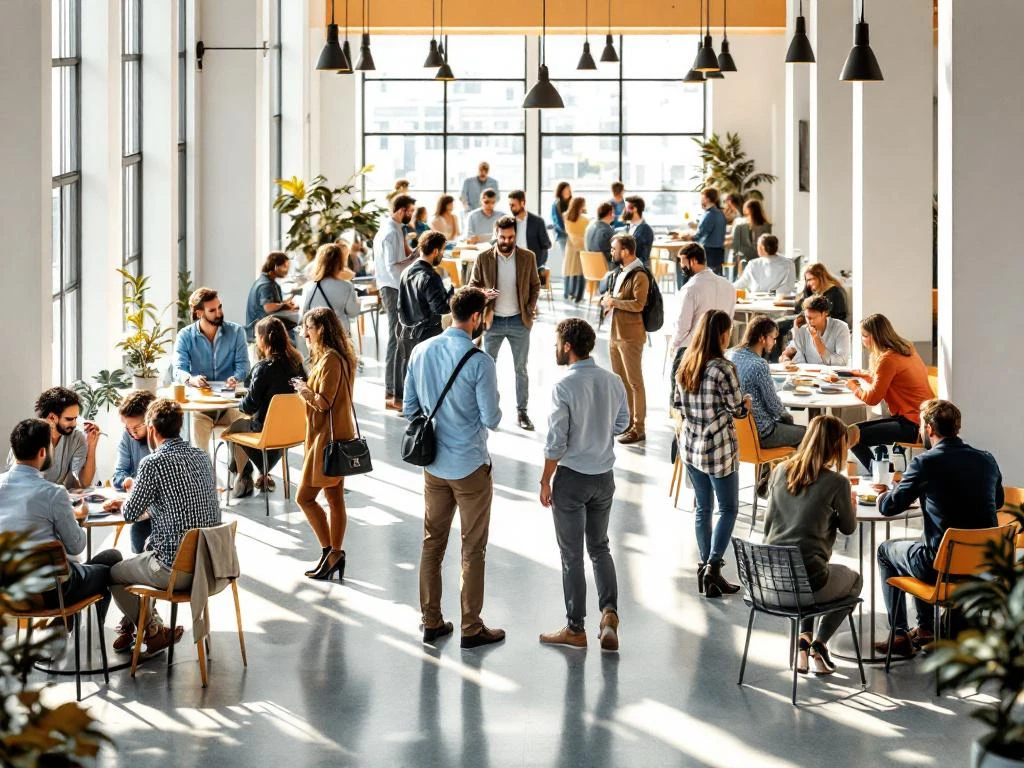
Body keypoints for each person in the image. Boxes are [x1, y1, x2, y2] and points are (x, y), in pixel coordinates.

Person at [403, 287, 505, 649]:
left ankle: (430, 621)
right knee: (472, 549)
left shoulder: (421, 350)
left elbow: (409, 408)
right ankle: (471, 627)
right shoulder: (480, 362)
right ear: (476, 317)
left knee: (432, 543)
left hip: (433, 465)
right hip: (470, 466)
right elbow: (492, 419)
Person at [874, 399, 1003, 658]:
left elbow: (889, 507)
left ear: (930, 428)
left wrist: (882, 495)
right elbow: (997, 502)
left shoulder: (925, 463)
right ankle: (925, 629)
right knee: (923, 543)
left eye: (921, 426)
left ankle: (899, 635)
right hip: (982, 567)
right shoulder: (987, 459)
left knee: (886, 551)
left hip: (941, 569)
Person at [538, 318, 630, 650]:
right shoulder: (613, 380)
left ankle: (576, 628)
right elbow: (623, 423)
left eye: (557, 343)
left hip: (573, 479)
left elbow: (556, 442)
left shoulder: (564, 386)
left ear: (567, 347)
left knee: (572, 555)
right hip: (604, 478)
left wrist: (545, 479)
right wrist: (599, 430)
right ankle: (609, 615)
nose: (555, 348)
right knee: (600, 547)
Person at [106, 399, 220, 656]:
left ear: (152, 430)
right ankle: (149, 628)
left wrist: (128, 499)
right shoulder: (202, 457)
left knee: (113, 574)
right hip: (210, 567)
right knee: (147, 550)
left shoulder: (153, 462)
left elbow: (130, 514)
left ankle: (152, 631)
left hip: (175, 572)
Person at [0, 419, 122, 623]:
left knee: (80, 566)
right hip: (50, 594)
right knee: (112, 560)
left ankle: (62, 626)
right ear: (43, 452)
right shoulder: (53, 493)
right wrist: (77, 517)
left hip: (8, 593)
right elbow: (76, 546)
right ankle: (85, 627)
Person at [764, 415, 860, 675]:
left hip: (770, 582)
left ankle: (803, 642)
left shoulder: (780, 471)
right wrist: (848, 505)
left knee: (807, 566)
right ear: (836, 445)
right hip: (807, 583)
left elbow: (768, 525)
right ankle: (820, 644)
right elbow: (849, 528)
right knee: (854, 580)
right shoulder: (837, 482)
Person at [677, 310, 751, 599]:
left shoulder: (686, 363)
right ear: (722, 334)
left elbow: (678, 404)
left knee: (703, 509)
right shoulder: (724, 368)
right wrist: (746, 404)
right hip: (719, 448)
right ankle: (713, 566)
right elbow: (737, 410)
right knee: (729, 508)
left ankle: (706, 569)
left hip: (691, 446)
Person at [291, 308, 358, 582]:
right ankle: (333, 554)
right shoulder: (336, 357)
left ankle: (330, 551)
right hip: (335, 436)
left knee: (304, 498)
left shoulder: (331, 359)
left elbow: (324, 402)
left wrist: (304, 390)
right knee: (334, 498)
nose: (305, 334)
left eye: (308, 328)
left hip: (326, 440)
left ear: (320, 329)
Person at [468, 215, 540, 431]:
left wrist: (529, 308)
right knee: (488, 369)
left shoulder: (528, 257)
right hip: (493, 322)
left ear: (515, 235)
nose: (506, 241)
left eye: (510, 237)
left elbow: (535, 285)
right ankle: (488, 411)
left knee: (521, 369)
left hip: (520, 321)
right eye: (502, 237)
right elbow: (472, 286)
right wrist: (484, 295)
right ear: (496, 234)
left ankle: (522, 412)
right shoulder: (483, 258)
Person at [222, 316, 305, 497]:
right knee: (251, 423)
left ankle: (243, 476)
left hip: (265, 432)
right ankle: (263, 473)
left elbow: (249, 406)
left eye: (256, 336)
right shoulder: (297, 364)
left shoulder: (264, 367)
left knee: (230, 429)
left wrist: (237, 402)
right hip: (291, 431)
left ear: (263, 338)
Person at [846, 314, 935, 473]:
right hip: (923, 419)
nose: (862, 340)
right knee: (852, 433)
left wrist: (853, 386)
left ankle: (883, 475)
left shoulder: (888, 359)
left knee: (850, 436)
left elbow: (872, 399)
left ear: (875, 337)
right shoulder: (907, 350)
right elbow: (888, 378)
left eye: (864, 336)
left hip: (913, 425)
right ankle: (886, 473)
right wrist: (860, 374)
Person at [173, 287, 249, 454]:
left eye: (219, 307)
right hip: (202, 407)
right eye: (212, 310)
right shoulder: (185, 336)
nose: (219, 313)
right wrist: (191, 379)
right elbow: (178, 369)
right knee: (197, 439)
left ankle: (241, 469)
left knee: (246, 424)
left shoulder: (236, 332)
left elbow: (243, 365)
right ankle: (203, 469)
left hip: (229, 405)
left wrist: (236, 378)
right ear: (199, 313)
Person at [668, 243, 736, 403]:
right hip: (719, 349)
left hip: (691, 350)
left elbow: (682, 325)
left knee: (679, 400)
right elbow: (729, 319)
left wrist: (674, 345)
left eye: (682, 262)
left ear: (692, 261)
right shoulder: (728, 286)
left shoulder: (690, 288)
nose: (681, 267)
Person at [727, 316, 806, 450]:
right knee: (812, 435)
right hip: (762, 432)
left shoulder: (730, 354)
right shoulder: (759, 365)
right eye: (773, 338)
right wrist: (789, 418)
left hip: (738, 432)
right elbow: (774, 405)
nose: (775, 343)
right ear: (762, 338)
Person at [600, 234, 649, 445]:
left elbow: (639, 304)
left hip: (630, 337)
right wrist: (607, 302)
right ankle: (628, 423)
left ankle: (639, 428)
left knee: (635, 383)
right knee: (621, 382)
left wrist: (614, 302)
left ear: (626, 251)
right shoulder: (621, 272)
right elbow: (616, 299)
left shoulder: (640, 275)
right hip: (615, 333)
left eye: (614, 249)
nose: (611, 252)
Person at [6, 386, 99, 489]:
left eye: (75, 418)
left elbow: (84, 483)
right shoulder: (28, 435)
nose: (74, 424)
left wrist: (92, 446)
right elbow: (16, 480)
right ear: (52, 417)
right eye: (69, 419)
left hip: (56, 495)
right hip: (29, 494)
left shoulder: (77, 437)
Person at [373, 194, 417, 412]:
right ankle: (391, 393)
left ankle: (394, 391)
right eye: (410, 211)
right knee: (396, 338)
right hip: (392, 288)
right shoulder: (390, 232)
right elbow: (392, 266)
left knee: (398, 337)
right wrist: (414, 259)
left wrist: (412, 255)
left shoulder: (396, 229)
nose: (412, 215)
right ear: (401, 210)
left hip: (393, 286)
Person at [397, 231, 452, 398]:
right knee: (428, 386)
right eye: (442, 250)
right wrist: (451, 293)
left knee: (411, 384)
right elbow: (440, 308)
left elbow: (400, 304)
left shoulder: (406, 272)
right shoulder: (430, 276)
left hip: (406, 335)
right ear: (435, 251)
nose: (442, 254)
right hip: (427, 336)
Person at [773, 261, 847, 363]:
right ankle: (779, 359)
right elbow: (799, 306)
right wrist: (806, 291)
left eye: (810, 279)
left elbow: (834, 316)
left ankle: (774, 360)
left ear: (820, 277)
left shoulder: (834, 293)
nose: (808, 283)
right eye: (806, 280)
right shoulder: (815, 290)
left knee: (778, 326)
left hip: (820, 323)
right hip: (806, 319)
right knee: (776, 325)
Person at [112, 389, 156, 553]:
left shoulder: (165, 440)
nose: (132, 433)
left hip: (161, 512)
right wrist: (126, 481)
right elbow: (118, 473)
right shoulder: (128, 436)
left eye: (137, 427)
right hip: (141, 508)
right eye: (127, 427)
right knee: (138, 539)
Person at [299, 242, 360, 331]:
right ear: (340, 261)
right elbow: (353, 312)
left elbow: (303, 313)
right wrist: (357, 300)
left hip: (317, 332)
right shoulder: (346, 286)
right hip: (339, 332)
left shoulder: (309, 286)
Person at [781, 294, 851, 366]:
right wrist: (786, 359)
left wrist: (817, 340)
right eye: (807, 317)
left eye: (813, 318)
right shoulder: (803, 329)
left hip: (833, 372)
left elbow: (842, 362)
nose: (810, 322)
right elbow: (789, 354)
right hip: (808, 372)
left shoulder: (841, 328)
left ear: (824, 314)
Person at [245, 251, 297, 343]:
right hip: (263, 332)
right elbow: (268, 307)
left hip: (258, 330)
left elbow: (271, 303)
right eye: (285, 266)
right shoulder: (266, 285)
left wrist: (286, 303)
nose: (287, 270)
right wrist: (284, 306)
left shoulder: (264, 281)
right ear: (276, 266)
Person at [682, 187, 727, 275]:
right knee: (716, 277)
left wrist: (689, 237)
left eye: (702, 197)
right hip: (719, 252)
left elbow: (700, 235)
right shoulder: (720, 213)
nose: (701, 200)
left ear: (707, 199)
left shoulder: (710, 214)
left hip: (709, 252)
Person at [508, 190, 552, 272]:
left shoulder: (538, 222)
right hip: (513, 265)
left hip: (532, 266)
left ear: (522, 203)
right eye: (509, 205)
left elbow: (545, 245)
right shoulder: (509, 223)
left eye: (513, 205)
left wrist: (539, 265)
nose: (511, 208)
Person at [729, 199, 772, 268]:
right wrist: (736, 267)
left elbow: (768, 248)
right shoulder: (739, 227)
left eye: (748, 213)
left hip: (760, 264)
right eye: (745, 214)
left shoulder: (766, 227)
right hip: (744, 264)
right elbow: (735, 249)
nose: (746, 216)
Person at [562, 196, 589, 302]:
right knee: (581, 272)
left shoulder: (565, 216)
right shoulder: (585, 219)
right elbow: (586, 234)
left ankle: (568, 294)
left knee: (569, 270)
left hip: (571, 246)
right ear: (581, 205)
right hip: (582, 246)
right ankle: (578, 297)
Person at [622, 196, 653, 266]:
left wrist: (628, 264)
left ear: (635, 209)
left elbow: (644, 257)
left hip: (637, 268)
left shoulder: (645, 230)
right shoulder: (627, 228)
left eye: (627, 208)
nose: (624, 210)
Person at [584, 202, 616, 267]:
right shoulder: (607, 231)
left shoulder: (590, 227)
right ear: (610, 213)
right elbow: (613, 255)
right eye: (613, 213)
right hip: (606, 267)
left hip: (591, 267)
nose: (614, 215)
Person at [551, 181, 572, 257]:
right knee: (566, 257)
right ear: (560, 191)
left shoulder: (572, 202)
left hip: (573, 235)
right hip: (562, 235)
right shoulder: (556, 204)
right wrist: (567, 231)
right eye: (565, 190)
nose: (567, 192)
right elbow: (557, 222)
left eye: (568, 190)